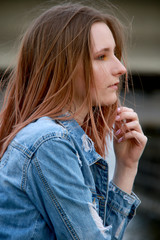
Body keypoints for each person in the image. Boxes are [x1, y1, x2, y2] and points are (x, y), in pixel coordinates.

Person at [0, 2, 147, 240]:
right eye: (101, 56)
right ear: (63, 66)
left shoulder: (60, 139)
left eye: (116, 55)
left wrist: (127, 166)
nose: (121, 68)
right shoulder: (49, 142)